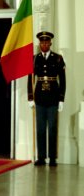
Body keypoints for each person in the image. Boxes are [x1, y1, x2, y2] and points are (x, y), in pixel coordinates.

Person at [28, 31, 66, 167]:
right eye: (42, 42)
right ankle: (41, 157)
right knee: (40, 129)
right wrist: (30, 97)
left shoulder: (58, 58)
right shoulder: (34, 58)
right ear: (39, 44)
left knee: (52, 128)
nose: (44, 44)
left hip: (53, 97)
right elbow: (30, 79)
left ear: (50, 43)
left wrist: (61, 99)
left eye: (46, 42)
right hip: (39, 97)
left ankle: (53, 158)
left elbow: (63, 80)